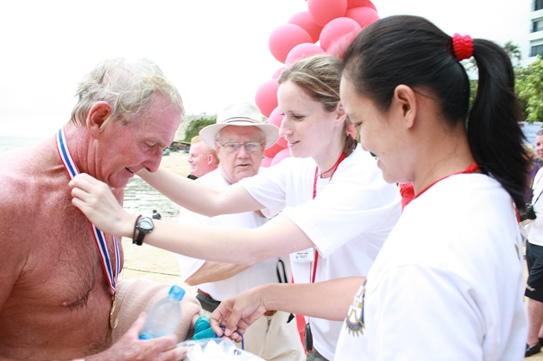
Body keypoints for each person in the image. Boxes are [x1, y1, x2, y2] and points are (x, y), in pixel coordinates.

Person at [207, 15, 530, 360]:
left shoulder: (426, 256)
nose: (361, 139)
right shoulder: (486, 195)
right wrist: (268, 295)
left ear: (405, 106)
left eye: (359, 122)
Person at [69, 54, 402, 361]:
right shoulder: (300, 170)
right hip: (325, 344)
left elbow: (253, 248)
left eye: (298, 116)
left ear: (339, 113)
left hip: (371, 346)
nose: (284, 129)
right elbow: (215, 202)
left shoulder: (364, 182)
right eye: (284, 114)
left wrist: (132, 224)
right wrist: (139, 157)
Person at [0, 57, 201, 361]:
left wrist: (181, 312)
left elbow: (93, 291)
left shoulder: (108, 179)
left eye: (164, 148)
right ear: (99, 119)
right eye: (149, 144)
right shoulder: (11, 204)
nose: (155, 165)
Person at [177, 102, 305, 361]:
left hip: (283, 321)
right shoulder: (199, 196)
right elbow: (194, 273)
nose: (243, 154)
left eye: (251, 145)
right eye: (233, 145)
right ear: (218, 150)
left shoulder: (282, 184)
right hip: (226, 323)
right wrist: (259, 247)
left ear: (263, 148)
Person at [524, 127, 543, 357]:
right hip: (534, 237)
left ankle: (530, 340)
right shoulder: (541, 170)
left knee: (534, 292)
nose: (541, 148)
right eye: (539, 143)